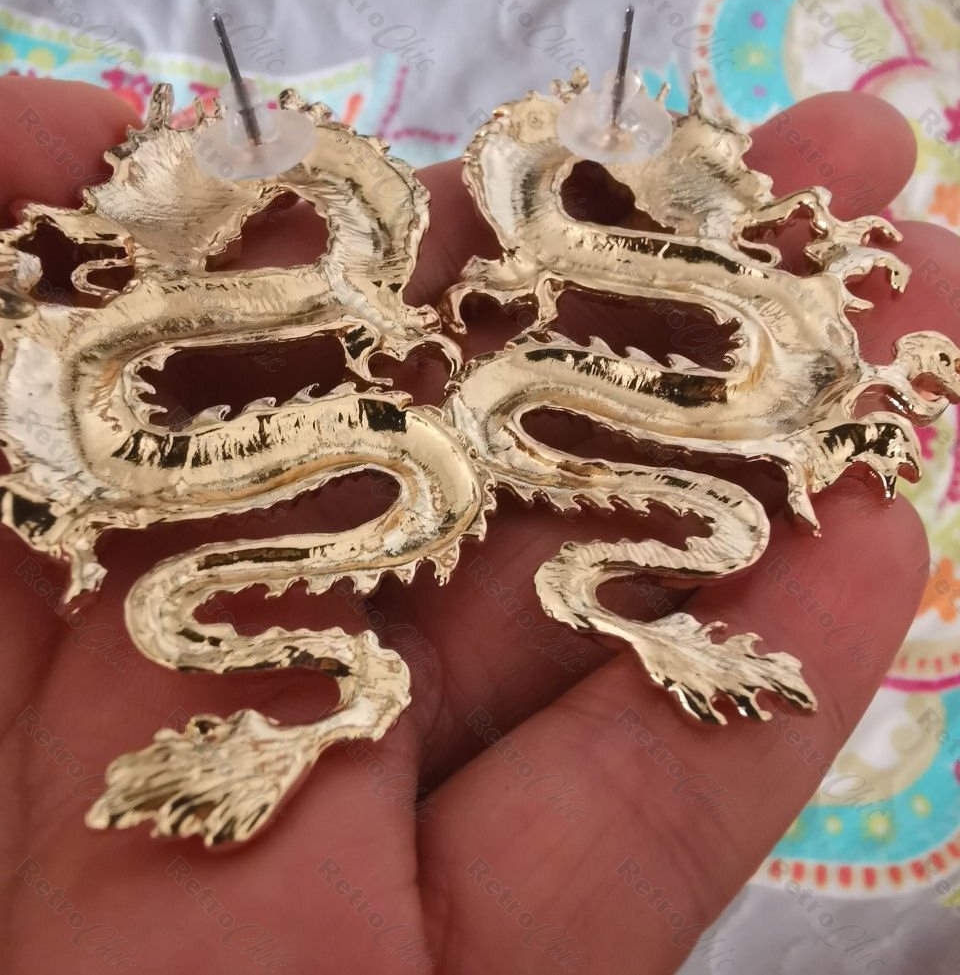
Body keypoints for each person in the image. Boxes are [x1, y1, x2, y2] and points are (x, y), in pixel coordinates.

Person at [0, 76, 953, 974]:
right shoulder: (329, 264)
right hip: (337, 446)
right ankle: (347, 705)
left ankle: (390, 690)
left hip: (479, 423)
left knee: (724, 521)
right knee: (481, 465)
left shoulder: (477, 242)